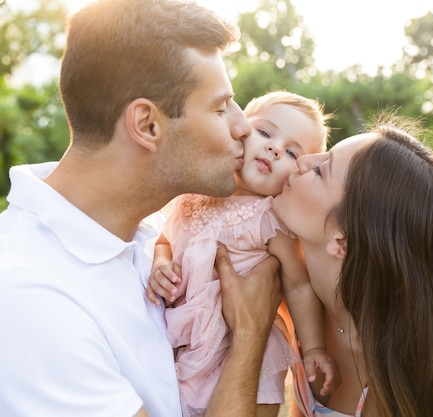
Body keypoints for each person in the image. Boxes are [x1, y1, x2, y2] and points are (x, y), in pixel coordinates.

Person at [0, 0, 283, 416]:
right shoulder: (28, 295)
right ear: (147, 125)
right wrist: (251, 335)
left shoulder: (156, 238)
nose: (243, 127)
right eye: (221, 107)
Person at [271, 114, 433, 417]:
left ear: (341, 241)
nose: (303, 161)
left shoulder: (394, 376)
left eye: (319, 170)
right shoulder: (301, 296)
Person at [146, 91, 339, 417]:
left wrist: (315, 347)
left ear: (295, 176)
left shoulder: (270, 219)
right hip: (185, 340)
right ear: (239, 131)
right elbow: (165, 238)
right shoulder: (195, 193)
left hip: (242, 347)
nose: (275, 148)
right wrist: (162, 263)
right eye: (265, 132)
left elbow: (298, 286)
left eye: (292, 152)